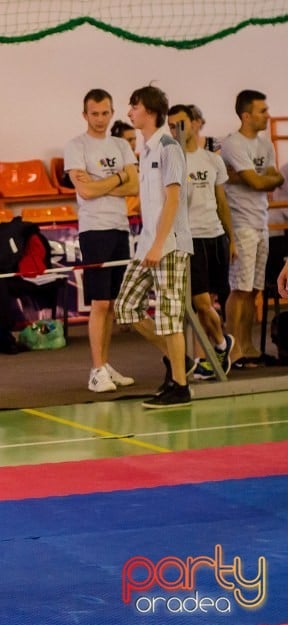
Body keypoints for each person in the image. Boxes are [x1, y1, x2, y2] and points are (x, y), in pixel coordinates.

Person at [114, 85, 193, 408]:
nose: (130, 112)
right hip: (146, 243)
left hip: (169, 244)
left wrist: (159, 244)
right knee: (126, 307)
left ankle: (179, 385)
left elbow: (173, 198)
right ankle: (178, 362)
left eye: (134, 106)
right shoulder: (144, 150)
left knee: (169, 316)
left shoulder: (168, 147)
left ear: (149, 110)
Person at [64, 89, 139, 393]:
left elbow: (134, 185)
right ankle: (96, 371)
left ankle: (105, 363)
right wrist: (118, 178)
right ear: (85, 115)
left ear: (112, 112)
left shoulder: (122, 144)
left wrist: (105, 182)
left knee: (111, 304)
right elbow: (86, 192)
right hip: (94, 230)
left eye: (105, 113)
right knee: (100, 302)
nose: (100, 119)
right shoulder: (76, 146)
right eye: (94, 113)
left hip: (120, 227)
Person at [166, 104, 236, 380]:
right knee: (200, 301)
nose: (177, 131)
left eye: (181, 124)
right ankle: (221, 344)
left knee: (216, 300)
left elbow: (221, 202)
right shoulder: (172, 160)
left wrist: (231, 240)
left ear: (195, 124)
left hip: (215, 237)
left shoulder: (212, 160)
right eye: (172, 126)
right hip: (189, 239)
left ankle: (218, 348)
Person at [221, 90, 285, 367]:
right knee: (240, 289)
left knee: (255, 289)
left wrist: (252, 178)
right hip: (241, 224)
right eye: (262, 110)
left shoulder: (265, 144)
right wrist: (257, 179)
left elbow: (277, 177)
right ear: (246, 115)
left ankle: (247, 347)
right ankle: (232, 348)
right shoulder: (233, 144)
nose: (267, 114)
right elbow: (262, 182)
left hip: (260, 223)